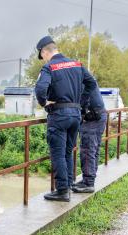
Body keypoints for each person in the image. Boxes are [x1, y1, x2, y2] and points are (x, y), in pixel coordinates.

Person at [34, 36, 97, 202]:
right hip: (75, 115)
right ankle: (68, 184)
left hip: (59, 115)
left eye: (42, 55)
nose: (43, 59)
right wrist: (81, 103)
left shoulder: (49, 67)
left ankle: (62, 190)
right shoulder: (77, 64)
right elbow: (91, 84)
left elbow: (40, 89)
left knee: (58, 153)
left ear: (45, 51)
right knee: (68, 151)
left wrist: (44, 103)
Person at [72, 85, 106, 193]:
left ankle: (88, 183)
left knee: (87, 151)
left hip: (92, 118)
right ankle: (89, 180)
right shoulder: (85, 77)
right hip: (99, 115)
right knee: (94, 150)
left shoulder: (80, 80)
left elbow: (82, 99)